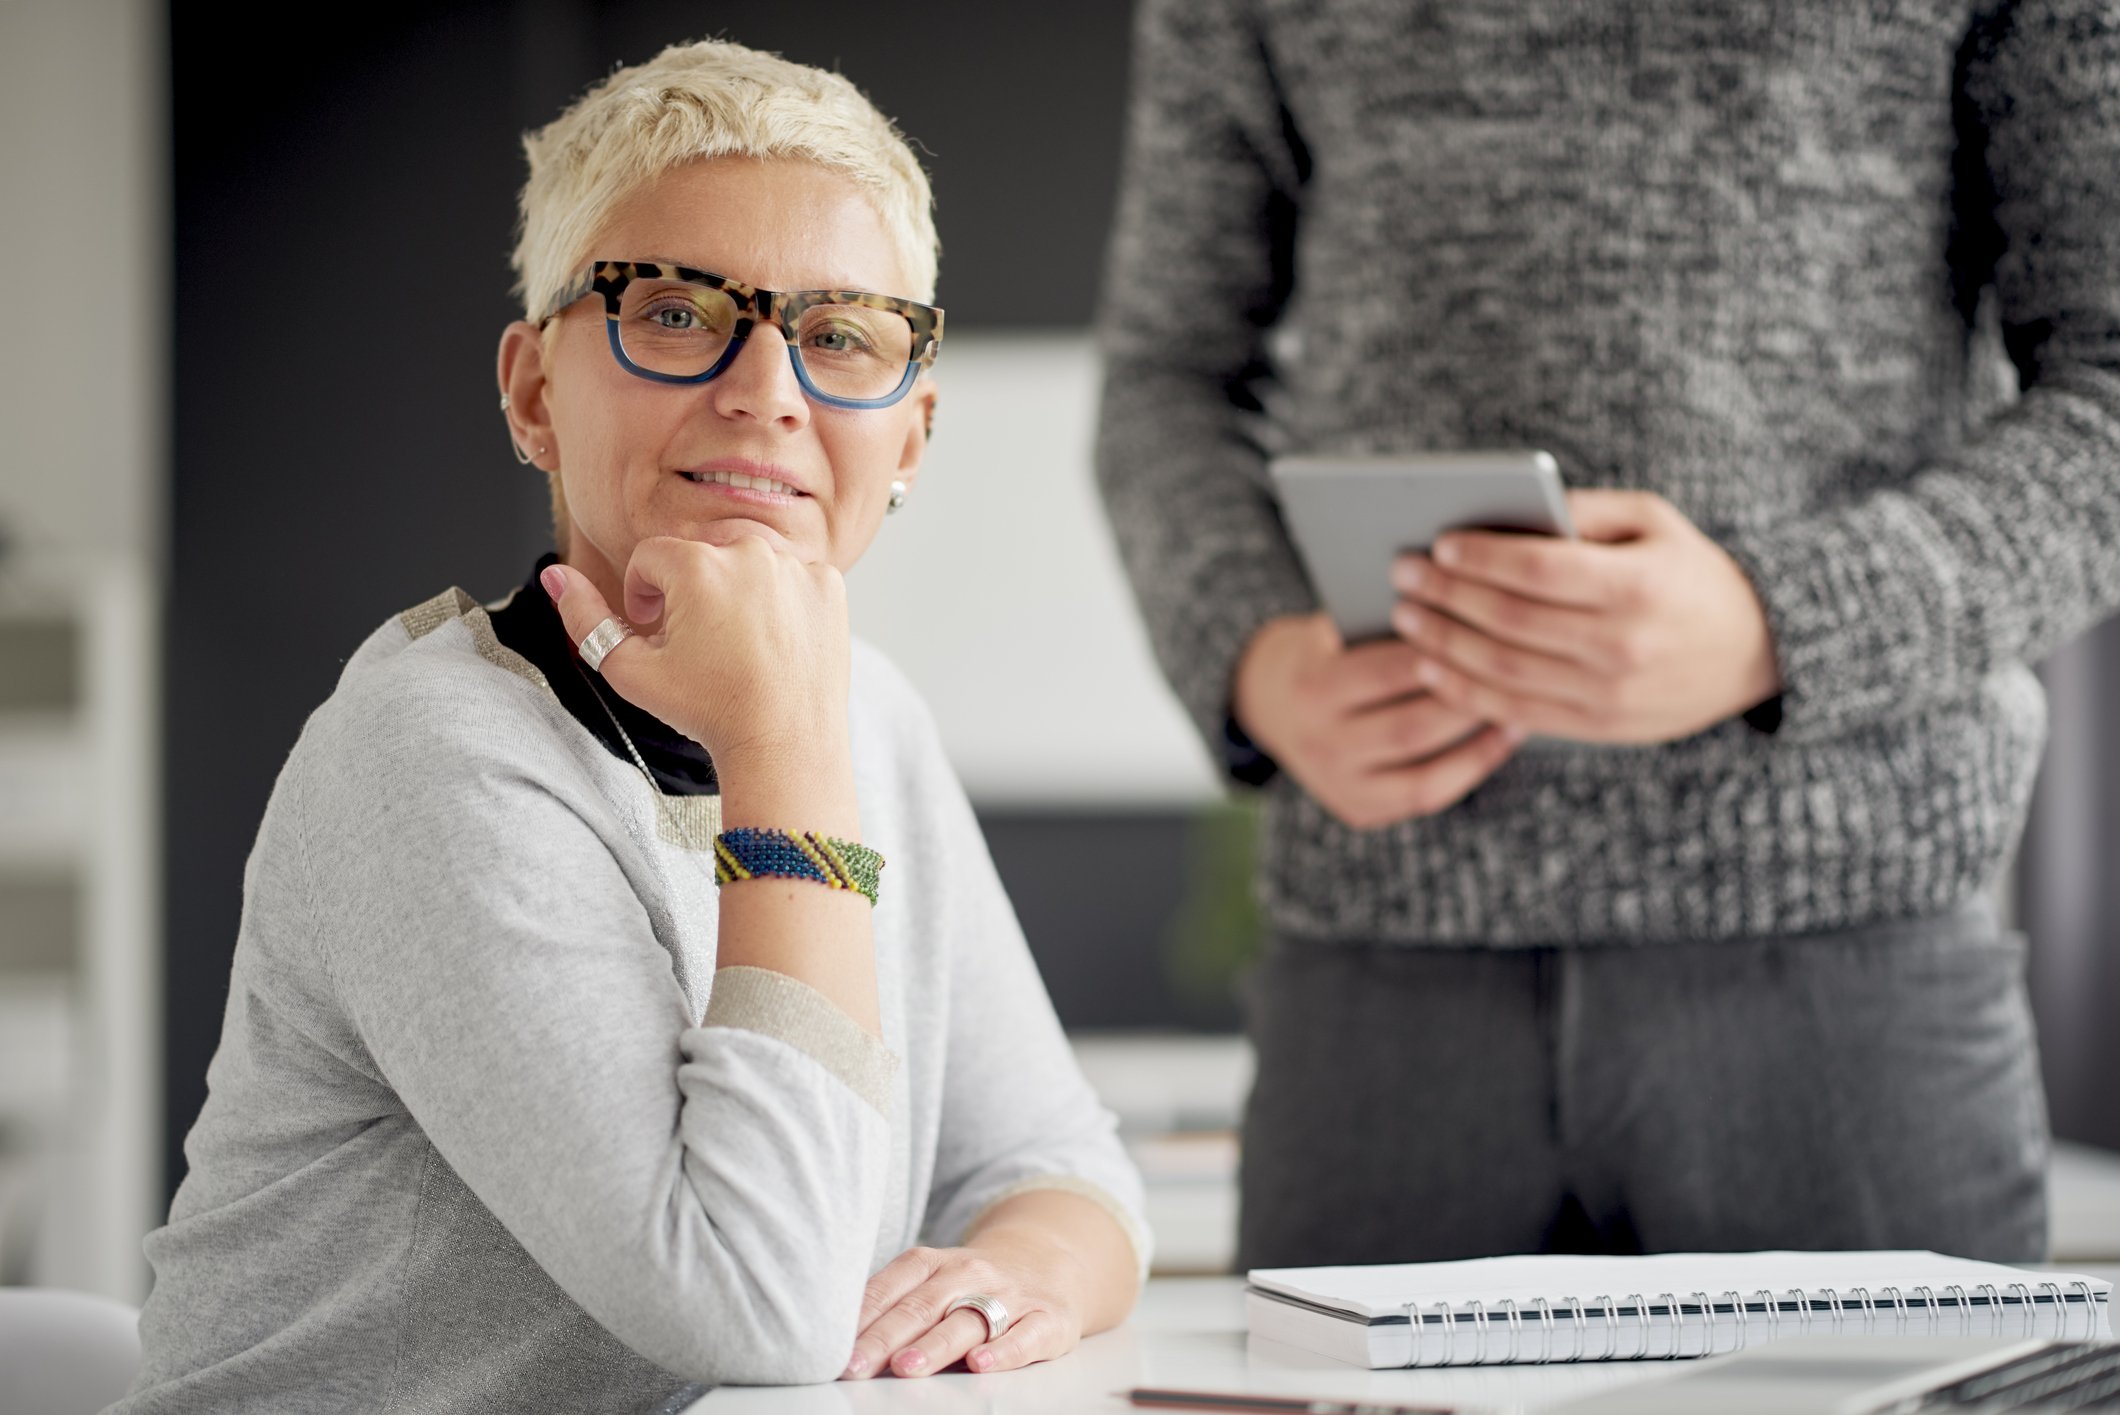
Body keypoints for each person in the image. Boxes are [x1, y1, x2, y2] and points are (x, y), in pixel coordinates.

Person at [122, 38, 1148, 1413]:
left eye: (841, 335)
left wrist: (1010, 1273)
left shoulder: (875, 719)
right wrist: (783, 757)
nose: (768, 388)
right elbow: (752, 1307)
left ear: (909, 437)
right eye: (675, 311)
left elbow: (1065, 1167)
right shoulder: (435, 751)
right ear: (535, 390)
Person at [1094, 0, 2119, 1270]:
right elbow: (1165, 378)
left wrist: (1776, 621)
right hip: (1377, 961)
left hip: (1852, 959)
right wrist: (1255, 657)